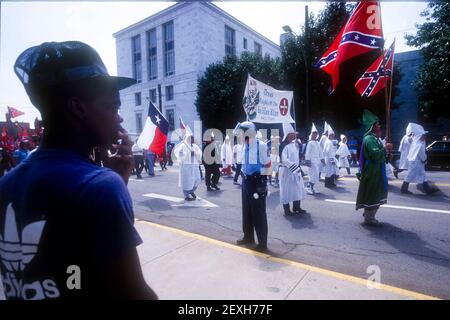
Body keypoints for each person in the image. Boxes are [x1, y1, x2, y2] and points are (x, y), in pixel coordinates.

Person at [0, 41, 157, 299]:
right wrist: (111, 182)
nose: (119, 118)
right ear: (78, 107)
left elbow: (65, 260)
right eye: (113, 106)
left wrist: (116, 179)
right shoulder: (101, 188)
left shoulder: (6, 185)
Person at [235, 121, 271, 253]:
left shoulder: (260, 145)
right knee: (247, 211)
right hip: (246, 181)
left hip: (257, 182)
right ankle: (248, 237)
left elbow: (268, 165)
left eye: (242, 132)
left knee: (259, 213)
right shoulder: (245, 145)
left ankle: (262, 243)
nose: (240, 134)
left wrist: (263, 182)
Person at [356, 110, 392, 226]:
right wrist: (385, 149)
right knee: (372, 192)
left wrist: (388, 153)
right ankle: (368, 218)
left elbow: (382, 156)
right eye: (378, 124)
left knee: (377, 192)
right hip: (372, 171)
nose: (380, 126)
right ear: (373, 127)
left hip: (377, 170)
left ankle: (369, 213)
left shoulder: (375, 139)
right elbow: (375, 154)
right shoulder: (369, 139)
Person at [401, 123, 439, 195]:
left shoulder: (417, 142)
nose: (425, 136)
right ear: (419, 136)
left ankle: (428, 190)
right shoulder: (418, 143)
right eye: (423, 135)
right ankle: (404, 188)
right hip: (416, 162)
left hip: (417, 162)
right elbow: (421, 153)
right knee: (410, 175)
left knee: (422, 175)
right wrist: (425, 160)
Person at [279, 122, 306, 216]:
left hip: (295, 171)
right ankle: (287, 210)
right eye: (293, 134)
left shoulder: (295, 144)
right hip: (287, 171)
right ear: (288, 135)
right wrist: (295, 168)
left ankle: (296, 207)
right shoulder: (283, 145)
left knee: (297, 189)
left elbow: (297, 156)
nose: (295, 135)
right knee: (286, 190)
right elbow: (284, 159)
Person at [174, 134, 202, 201]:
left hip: (194, 166)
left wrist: (195, 153)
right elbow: (180, 155)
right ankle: (186, 195)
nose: (192, 139)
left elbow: (199, 154)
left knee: (197, 179)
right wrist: (187, 153)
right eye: (190, 138)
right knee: (187, 181)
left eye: (192, 138)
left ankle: (191, 191)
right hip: (187, 167)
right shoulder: (183, 146)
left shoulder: (195, 146)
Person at [304, 123, 325, 195]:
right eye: (314, 134)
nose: (315, 135)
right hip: (312, 162)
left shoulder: (317, 142)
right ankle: (308, 187)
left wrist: (322, 160)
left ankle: (311, 187)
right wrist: (307, 161)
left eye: (316, 134)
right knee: (314, 175)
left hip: (317, 161)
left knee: (315, 175)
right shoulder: (310, 143)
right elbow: (307, 153)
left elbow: (320, 152)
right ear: (311, 134)